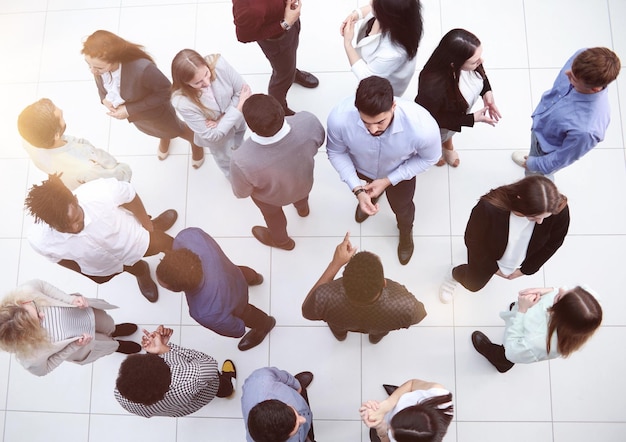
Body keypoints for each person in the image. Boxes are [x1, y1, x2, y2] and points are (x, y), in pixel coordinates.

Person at [326, 76, 440, 265]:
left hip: (400, 173)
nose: (372, 129)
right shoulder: (339, 118)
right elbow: (336, 152)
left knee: (402, 208)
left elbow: (430, 158)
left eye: (380, 122)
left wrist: (389, 180)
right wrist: (358, 189)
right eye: (365, 122)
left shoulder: (422, 127)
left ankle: (405, 231)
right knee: (367, 189)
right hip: (362, 168)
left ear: (393, 106)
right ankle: (369, 194)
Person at [25, 175, 177, 303]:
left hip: (135, 240)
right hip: (105, 266)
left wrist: (147, 226)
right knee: (133, 267)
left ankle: (155, 225)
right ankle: (142, 272)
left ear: (76, 199)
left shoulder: (100, 191)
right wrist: (88, 271)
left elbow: (130, 196)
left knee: (167, 244)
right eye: (64, 227)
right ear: (50, 224)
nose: (74, 228)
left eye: (77, 218)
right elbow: (58, 259)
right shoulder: (39, 240)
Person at [81, 30, 204, 166]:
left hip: (157, 114)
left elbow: (166, 92)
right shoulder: (98, 68)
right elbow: (101, 86)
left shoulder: (142, 69)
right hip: (139, 117)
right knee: (160, 131)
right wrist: (104, 98)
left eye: (98, 67)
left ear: (114, 59)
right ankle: (165, 136)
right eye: (89, 65)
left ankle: (196, 144)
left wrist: (129, 110)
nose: (92, 71)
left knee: (178, 129)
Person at [439, 176, 569, 303]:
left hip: (519, 256)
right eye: (534, 217)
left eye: (545, 217)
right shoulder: (489, 207)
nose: (540, 222)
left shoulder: (557, 208)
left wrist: (526, 270)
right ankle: (454, 273)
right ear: (521, 200)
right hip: (488, 254)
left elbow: (554, 243)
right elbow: (473, 240)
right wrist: (493, 268)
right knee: (473, 285)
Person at [155, 227, 275, 351]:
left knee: (251, 315)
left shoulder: (205, 312)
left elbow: (236, 330)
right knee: (246, 274)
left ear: (179, 289)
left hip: (239, 305)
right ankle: (256, 278)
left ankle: (266, 324)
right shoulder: (188, 237)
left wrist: (239, 327)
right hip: (234, 272)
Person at [231, 93, 325, 251]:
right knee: (302, 196)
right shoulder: (308, 121)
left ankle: (282, 242)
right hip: (304, 183)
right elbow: (319, 141)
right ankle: (303, 209)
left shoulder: (241, 160)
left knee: (274, 217)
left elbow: (242, 193)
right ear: (281, 110)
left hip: (271, 200)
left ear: (250, 127)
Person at [512, 47, 621, 179]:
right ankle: (531, 156)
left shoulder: (587, 130)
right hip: (541, 129)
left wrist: (534, 164)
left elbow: (561, 158)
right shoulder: (581, 57)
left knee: (535, 179)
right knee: (533, 154)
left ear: (594, 88)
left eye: (573, 78)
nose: (567, 73)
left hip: (546, 151)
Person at [302, 232, 427, 344]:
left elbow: (306, 311)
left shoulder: (324, 297)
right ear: (383, 283)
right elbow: (420, 314)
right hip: (382, 323)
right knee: (379, 332)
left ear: (344, 282)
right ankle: (375, 338)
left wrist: (335, 263)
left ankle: (340, 336)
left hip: (339, 319)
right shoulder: (406, 306)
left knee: (338, 328)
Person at [0, 279, 140, 377]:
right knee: (106, 344)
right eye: (37, 320)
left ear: (20, 302)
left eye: (35, 309)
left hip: (83, 312)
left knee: (107, 323)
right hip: (85, 344)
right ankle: (117, 345)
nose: (43, 314)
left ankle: (114, 330)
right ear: (26, 337)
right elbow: (45, 368)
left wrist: (71, 300)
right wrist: (73, 347)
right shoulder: (30, 358)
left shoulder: (26, 292)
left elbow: (43, 286)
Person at [416, 28, 501, 167]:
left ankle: (447, 145)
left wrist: (487, 92)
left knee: (448, 134)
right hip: (440, 123)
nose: (481, 61)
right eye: (474, 62)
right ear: (454, 63)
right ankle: (435, 151)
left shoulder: (471, 61)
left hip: (455, 116)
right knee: (437, 137)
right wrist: (472, 119)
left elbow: (480, 73)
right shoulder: (432, 86)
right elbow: (433, 119)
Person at [472, 285, 602, 373]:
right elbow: (563, 290)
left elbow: (512, 351)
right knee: (516, 310)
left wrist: (522, 310)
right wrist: (546, 290)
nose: (561, 289)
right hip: (532, 314)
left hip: (515, 343)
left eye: (559, 297)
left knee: (505, 356)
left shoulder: (537, 341)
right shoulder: (587, 304)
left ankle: (500, 363)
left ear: (558, 315)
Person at [114, 325, 237, 417]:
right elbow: (209, 364)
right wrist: (166, 349)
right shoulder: (188, 379)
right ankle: (227, 388)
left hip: (181, 408)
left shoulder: (120, 396)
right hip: (207, 389)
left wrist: (156, 351)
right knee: (220, 384)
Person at [17, 98, 131, 190]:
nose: (62, 110)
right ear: (56, 135)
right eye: (61, 117)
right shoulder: (86, 168)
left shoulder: (29, 140)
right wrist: (124, 169)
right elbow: (119, 178)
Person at [171, 49, 252, 177]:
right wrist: (238, 107)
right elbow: (212, 135)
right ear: (185, 84)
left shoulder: (219, 64)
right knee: (227, 161)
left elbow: (243, 92)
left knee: (240, 143)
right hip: (220, 142)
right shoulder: (182, 102)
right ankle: (235, 179)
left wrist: (221, 119)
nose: (207, 83)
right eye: (198, 82)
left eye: (206, 73)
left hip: (238, 123)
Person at [232, 0, 319, 115]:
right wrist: (285, 24)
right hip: (277, 40)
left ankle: (292, 73)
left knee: (289, 59)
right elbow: (244, 36)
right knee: (282, 75)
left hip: (287, 21)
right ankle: (279, 107)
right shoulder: (249, 9)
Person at [340, 0, 423, 96]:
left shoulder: (393, 52)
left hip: (385, 83)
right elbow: (376, 7)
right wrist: (356, 14)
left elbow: (366, 76)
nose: (370, 2)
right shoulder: (401, 14)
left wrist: (348, 44)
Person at [360, 378, 453, 442]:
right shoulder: (437, 394)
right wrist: (387, 404)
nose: (390, 427)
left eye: (393, 431)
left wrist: (381, 428)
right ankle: (397, 395)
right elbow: (412, 384)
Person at [242, 367, 316, 442]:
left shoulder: (263, 378)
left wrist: (296, 386)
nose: (303, 419)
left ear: (269, 401)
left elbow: (282, 376)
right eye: (296, 426)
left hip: (297, 397)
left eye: (294, 412)